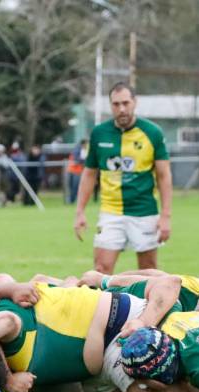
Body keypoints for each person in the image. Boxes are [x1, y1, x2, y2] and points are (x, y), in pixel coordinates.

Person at [74, 82, 172, 273]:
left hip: (144, 211)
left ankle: (148, 304)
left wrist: (166, 216)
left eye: (126, 103)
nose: (122, 109)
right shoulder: (99, 133)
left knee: (149, 271)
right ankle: (104, 303)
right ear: (110, 105)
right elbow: (89, 174)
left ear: (135, 102)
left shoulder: (152, 132)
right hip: (111, 212)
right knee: (101, 269)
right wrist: (80, 211)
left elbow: (164, 175)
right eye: (116, 104)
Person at [66, 139, 87, 204]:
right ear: (83, 144)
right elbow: (79, 159)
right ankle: (71, 199)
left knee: (74, 186)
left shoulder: (80, 149)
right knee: (73, 186)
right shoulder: (79, 149)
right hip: (74, 170)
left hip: (76, 171)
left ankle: (72, 200)